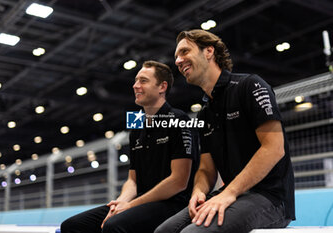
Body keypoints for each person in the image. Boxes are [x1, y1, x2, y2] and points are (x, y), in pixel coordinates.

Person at [155, 29, 295, 233]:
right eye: (176, 56)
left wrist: (229, 192)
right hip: (233, 194)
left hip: (270, 197)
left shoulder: (250, 85)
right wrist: (199, 191)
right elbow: (206, 169)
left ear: (209, 51)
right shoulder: (205, 113)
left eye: (184, 52)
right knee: (163, 231)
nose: (178, 60)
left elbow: (274, 149)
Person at [61, 60, 199, 233]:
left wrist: (130, 205)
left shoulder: (178, 120)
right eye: (135, 80)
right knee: (72, 226)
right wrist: (120, 202)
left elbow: (178, 182)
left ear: (162, 87)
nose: (135, 86)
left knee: (114, 226)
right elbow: (133, 180)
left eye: (143, 81)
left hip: (172, 203)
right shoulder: (137, 128)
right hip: (141, 202)